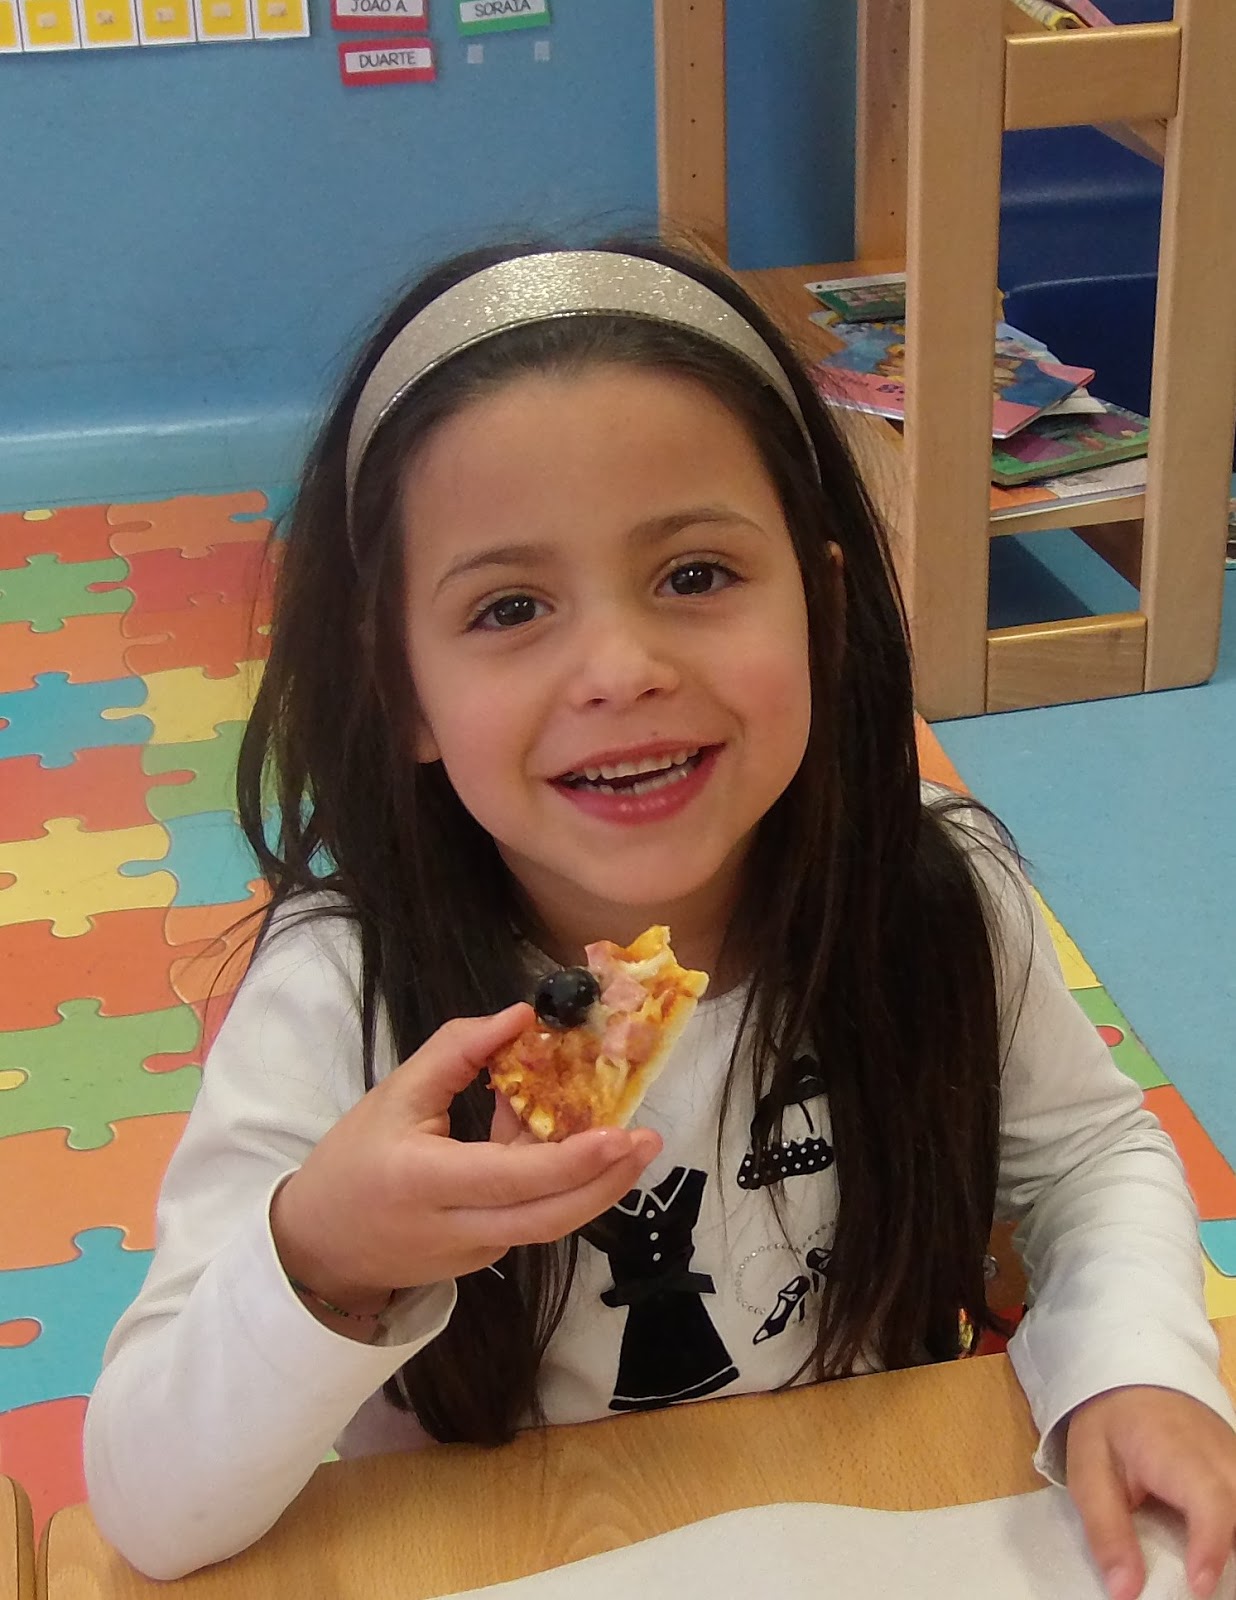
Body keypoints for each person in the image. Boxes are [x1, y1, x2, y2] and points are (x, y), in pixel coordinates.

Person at [84, 238, 1236, 1594]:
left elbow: (1089, 1159)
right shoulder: (345, 994)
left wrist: (1137, 1370)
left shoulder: (933, 901)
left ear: (823, 607)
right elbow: (151, 1514)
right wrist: (328, 1256)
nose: (621, 670)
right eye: (511, 607)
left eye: (694, 575)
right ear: (399, 689)